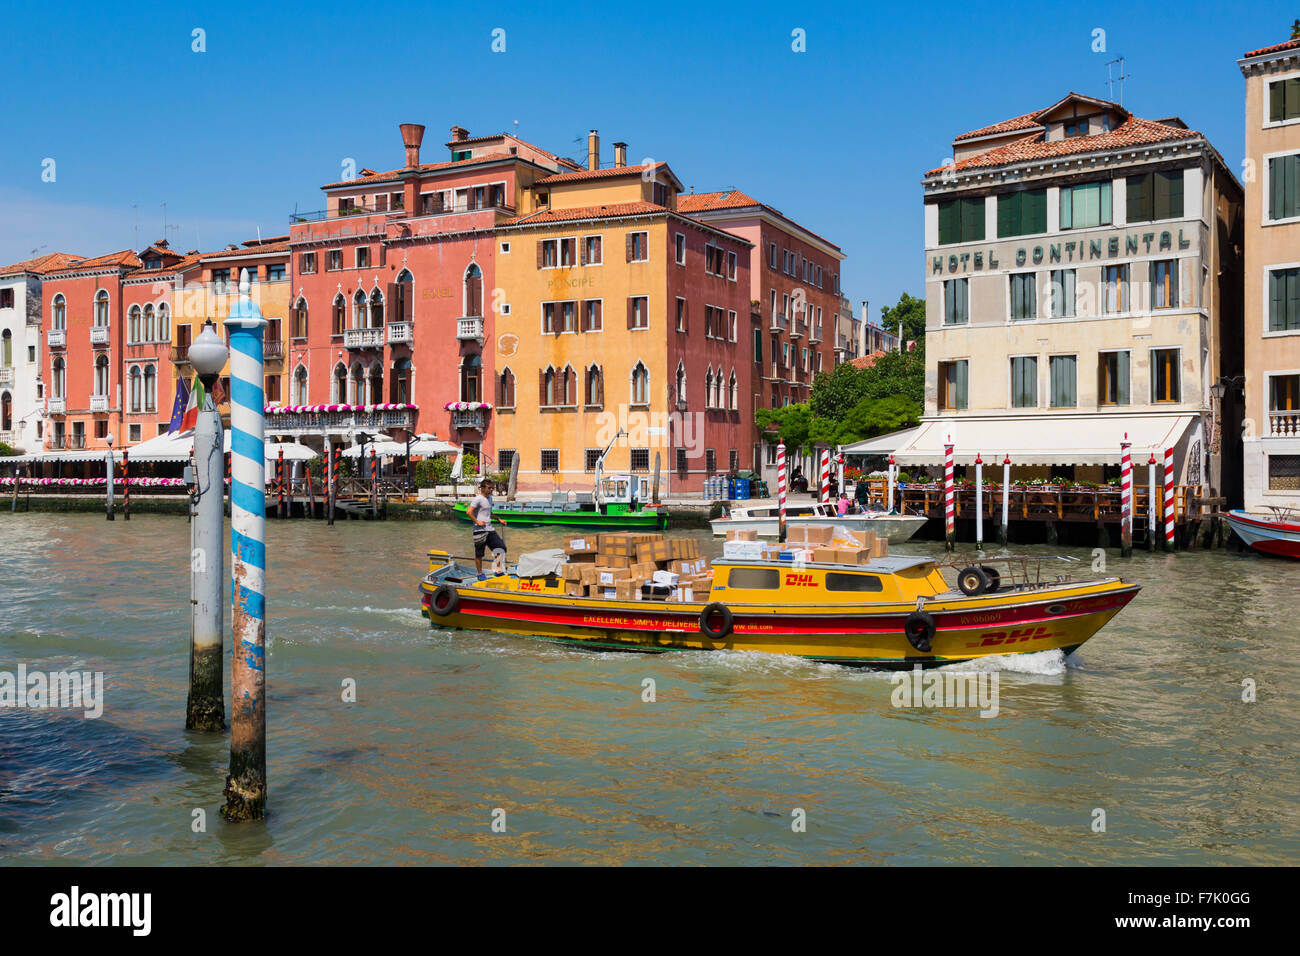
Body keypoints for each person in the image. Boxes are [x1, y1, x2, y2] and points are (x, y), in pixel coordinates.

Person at [467, 477, 507, 578]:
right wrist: (477, 522)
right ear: (483, 488)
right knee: (479, 554)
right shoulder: (477, 499)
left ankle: (498, 570)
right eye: (489, 488)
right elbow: (469, 512)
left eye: (492, 488)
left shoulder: (490, 498)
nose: (491, 490)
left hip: (489, 529)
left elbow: (489, 513)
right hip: (479, 531)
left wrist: (499, 519)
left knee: (501, 548)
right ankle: (480, 573)